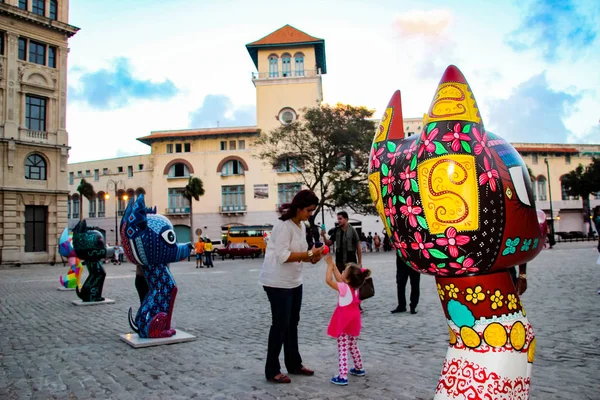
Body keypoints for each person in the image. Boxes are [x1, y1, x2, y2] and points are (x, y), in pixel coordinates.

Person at [259, 189, 324, 384]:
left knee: (292, 323)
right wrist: (309, 255)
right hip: (276, 282)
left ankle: (294, 363)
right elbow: (283, 256)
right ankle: (272, 370)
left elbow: (304, 254)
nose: (310, 214)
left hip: (295, 281)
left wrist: (314, 256)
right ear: (299, 208)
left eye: (312, 211)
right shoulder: (282, 226)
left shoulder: (302, 226)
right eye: (309, 210)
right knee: (280, 324)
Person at [324, 254, 370, 386]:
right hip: (355, 319)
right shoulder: (355, 287)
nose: (342, 272)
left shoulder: (344, 287)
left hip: (344, 321)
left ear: (348, 279)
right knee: (352, 345)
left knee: (342, 347)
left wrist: (328, 267)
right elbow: (340, 278)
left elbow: (329, 281)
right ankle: (359, 367)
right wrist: (333, 266)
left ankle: (342, 375)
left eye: (344, 271)